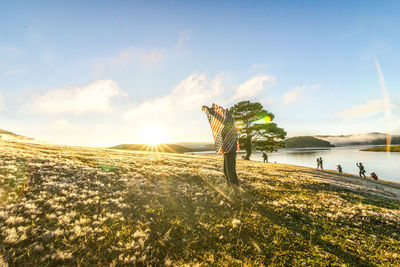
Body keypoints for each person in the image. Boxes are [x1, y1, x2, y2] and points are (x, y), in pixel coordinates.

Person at [202, 104, 239, 186]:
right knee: (226, 171)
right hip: (227, 150)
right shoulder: (229, 124)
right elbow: (221, 119)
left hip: (230, 151)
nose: (224, 117)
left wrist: (210, 111)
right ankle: (230, 186)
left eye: (226, 116)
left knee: (230, 170)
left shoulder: (229, 124)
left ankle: (235, 187)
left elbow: (219, 117)